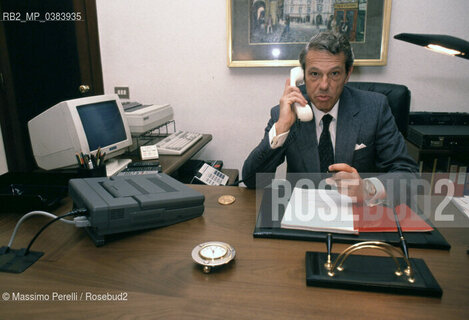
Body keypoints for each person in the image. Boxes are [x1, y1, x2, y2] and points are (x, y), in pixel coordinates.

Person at [242, 31, 418, 205]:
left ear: (347, 74)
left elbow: (408, 175)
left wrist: (367, 187)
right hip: (303, 217)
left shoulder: (375, 108)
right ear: (302, 75)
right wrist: (282, 128)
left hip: (357, 214)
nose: (324, 85)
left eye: (334, 74)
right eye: (314, 74)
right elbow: (251, 181)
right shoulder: (286, 112)